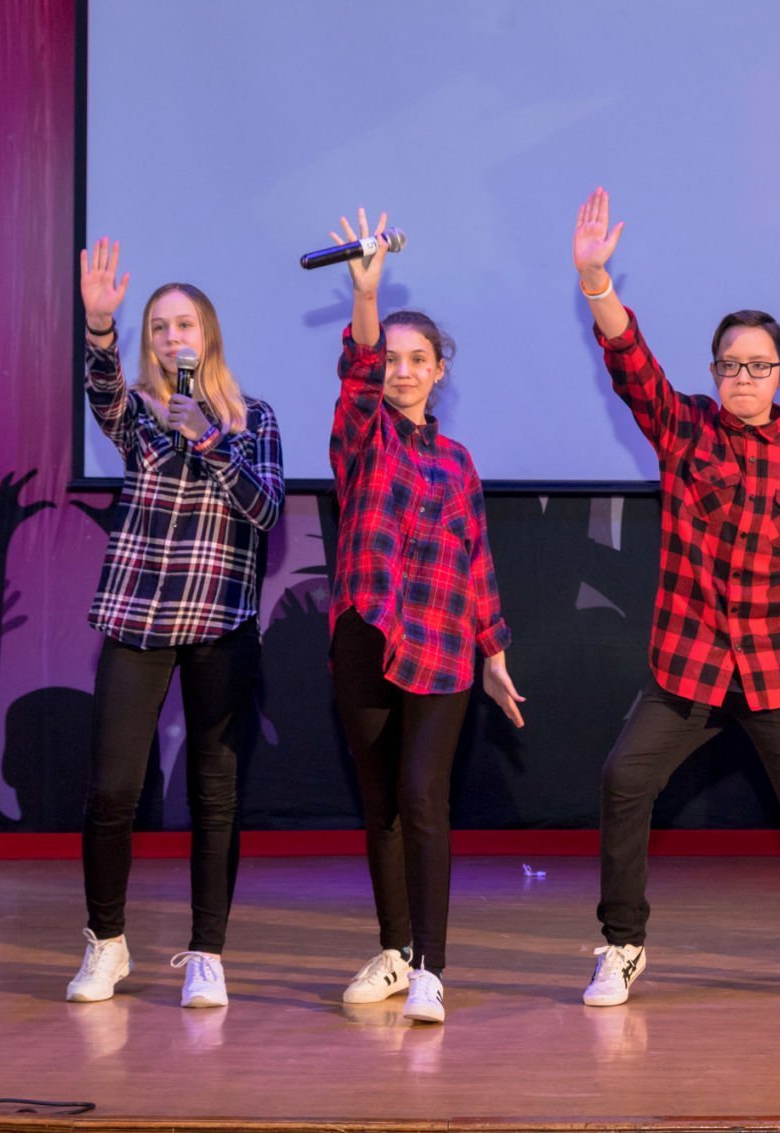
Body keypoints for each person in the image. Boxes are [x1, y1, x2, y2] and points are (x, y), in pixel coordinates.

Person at [571, 187, 780, 1007]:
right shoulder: (686, 428)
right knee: (624, 779)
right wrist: (597, 283)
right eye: (731, 365)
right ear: (713, 373)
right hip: (693, 662)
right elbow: (632, 365)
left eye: (759, 365)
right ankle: (622, 944)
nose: (744, 376)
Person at [68, 238, 285, 1009]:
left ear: (208, 335)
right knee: (112, 790)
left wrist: (211, 439)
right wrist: (100, 326)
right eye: (158, 327)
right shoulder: (140, 415)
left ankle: (207, 953)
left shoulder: (252, 418)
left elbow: (265, 509)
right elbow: (103, 395)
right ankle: (107, 942)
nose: (170, 337)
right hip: (138, 617)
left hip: (220, 622)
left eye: (183, 325)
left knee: (214, 796)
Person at [326, 208, 526, 1025]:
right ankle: (396, 950)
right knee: (380, 803)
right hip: (365, 638)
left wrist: (494, 651)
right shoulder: (361, 439)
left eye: (417, 360)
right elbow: (355, 377)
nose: (401, 372)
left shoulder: (457, 463)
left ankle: (431, 970)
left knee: (422, 796)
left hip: (442, 648)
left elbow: (478, 561)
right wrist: (365, 298)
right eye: (392, 360)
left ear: (440, 370)